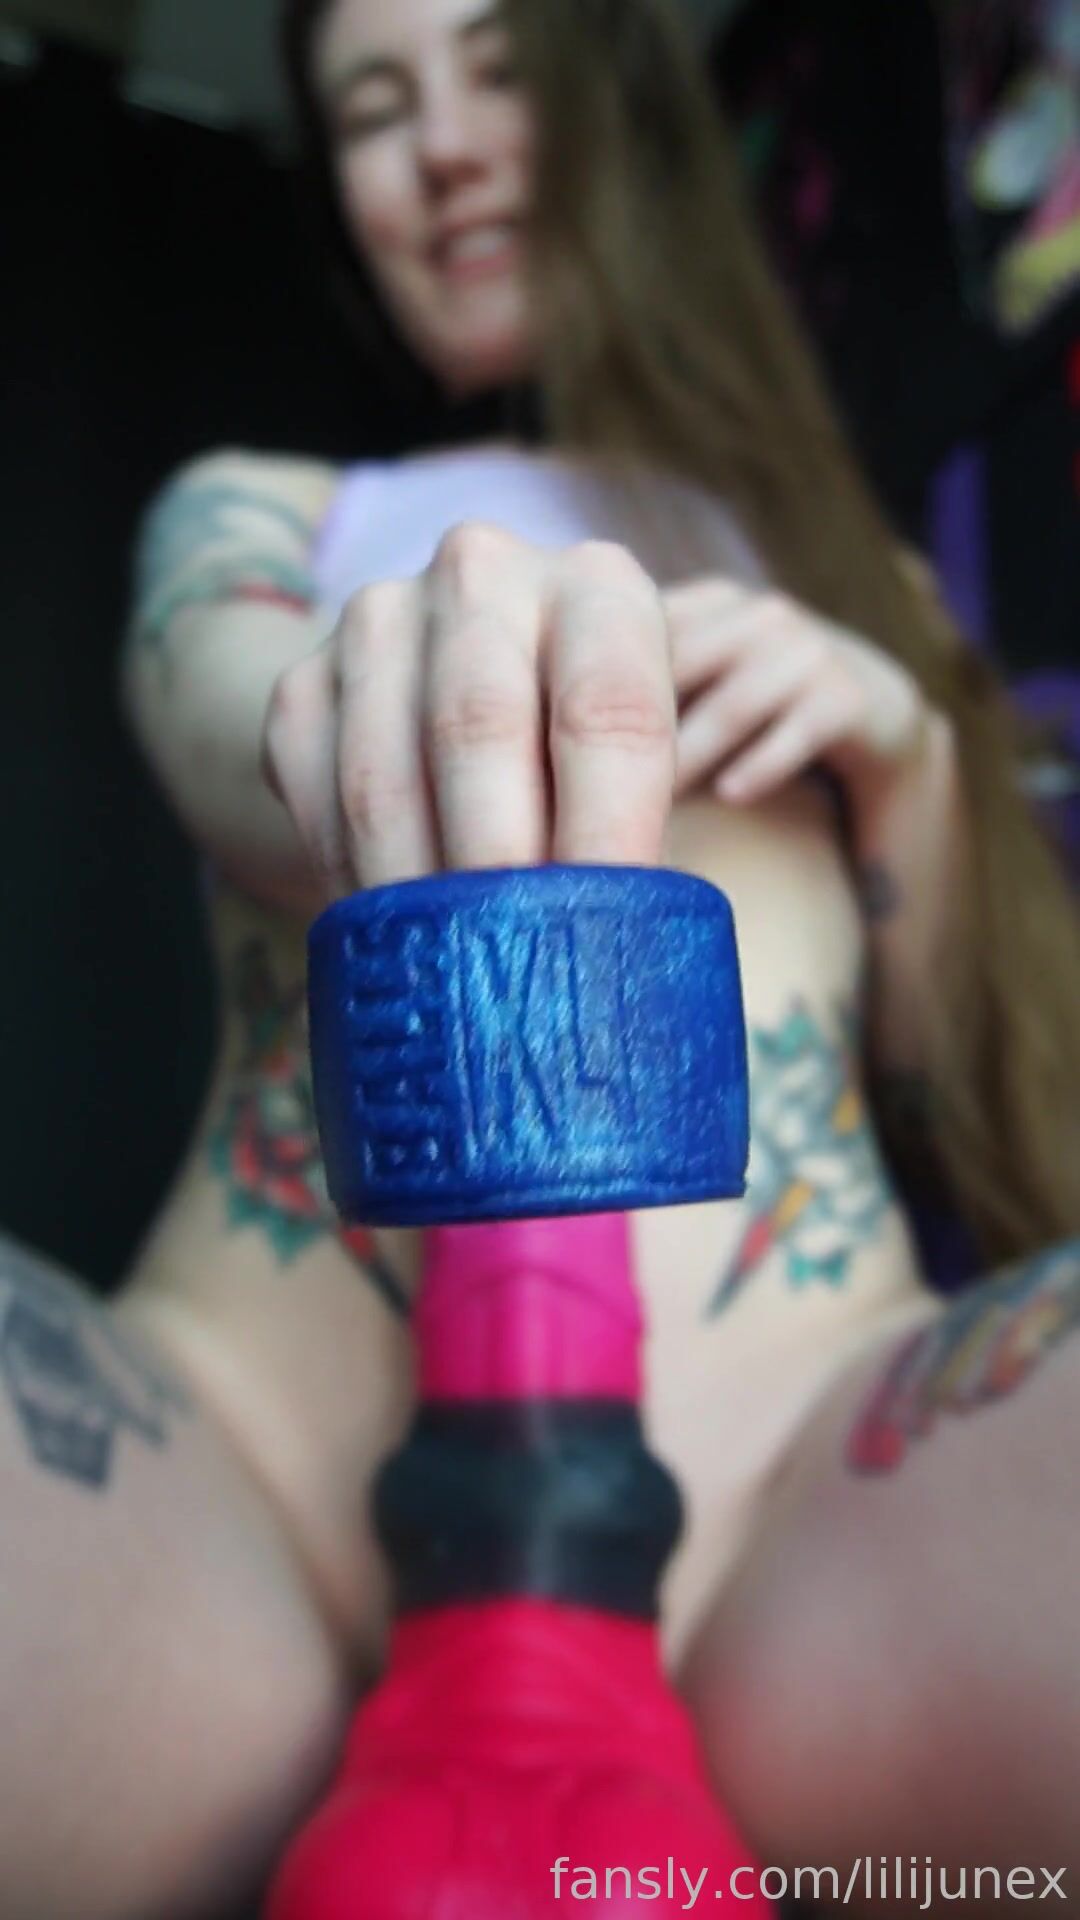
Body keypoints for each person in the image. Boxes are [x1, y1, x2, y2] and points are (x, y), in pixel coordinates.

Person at [5, 0, 1079, 1913]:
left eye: (498, 70)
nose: (440, 144)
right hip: (234, 1492)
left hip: (818, 1506)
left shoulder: (842, 567)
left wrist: (909, 763)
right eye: (373, 105)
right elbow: (203, 693)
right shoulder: (270, 510)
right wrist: (343, 703)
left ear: (619, 118)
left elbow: (951, 1095)